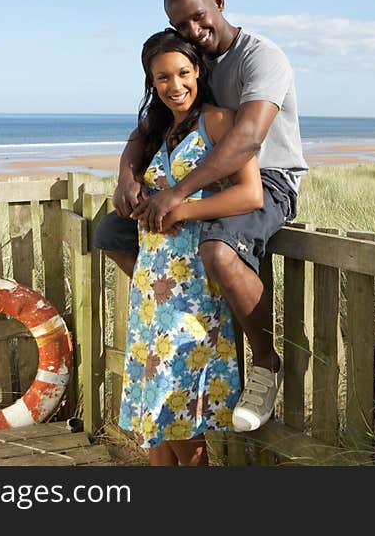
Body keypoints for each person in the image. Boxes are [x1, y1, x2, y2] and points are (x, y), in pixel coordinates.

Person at [96, 0, 308, 433]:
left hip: (268, 178)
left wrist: (179, 194)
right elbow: (146, 126)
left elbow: (247, 139)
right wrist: (126, 178)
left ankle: (266, 365)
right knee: (110, 230)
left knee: (218, 251)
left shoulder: (260, 57)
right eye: (181, 23)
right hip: (206, 176)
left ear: (219, 2)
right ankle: (186, 305)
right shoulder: (195, 62)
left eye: (199, 16)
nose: (193, 29)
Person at [117, 29, 263, 466]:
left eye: (183, 73)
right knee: (154, 420)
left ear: (198, 71)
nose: (174, 85)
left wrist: (181, 210)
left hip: (193, 287)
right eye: (162, 78)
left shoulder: (216, 121)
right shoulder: (158, 127)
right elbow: (130, 159)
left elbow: (250, 194)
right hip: (150, 284)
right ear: (151, 81)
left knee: (180, 410)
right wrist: (126, 181)